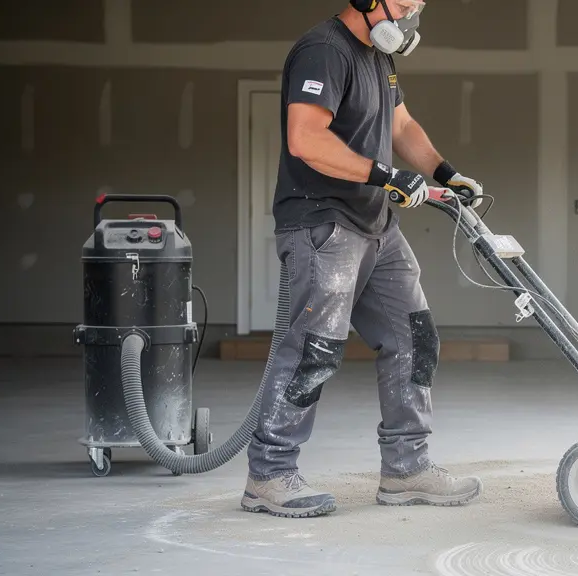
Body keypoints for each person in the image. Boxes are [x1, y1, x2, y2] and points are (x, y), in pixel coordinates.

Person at [241, 0, 485, 518]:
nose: (411, 16)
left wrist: (447, 174)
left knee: (414, 337)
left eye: (418, 5)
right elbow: (306, 139)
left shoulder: (379, 56)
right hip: (324, 222)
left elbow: (402, 127)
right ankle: (270, 474)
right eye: (403, 4)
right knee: (314, 349)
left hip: (377, 225)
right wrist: (386, 176)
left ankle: (406, 469)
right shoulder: (323, 51)